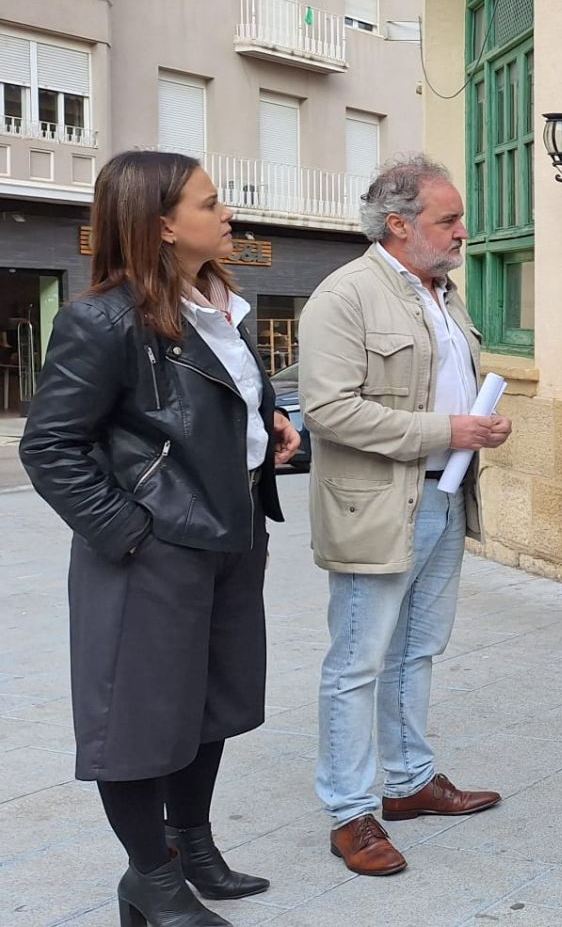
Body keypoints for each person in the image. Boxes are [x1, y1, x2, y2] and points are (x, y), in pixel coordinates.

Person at [22, 151, 300, 927]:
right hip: (155, 552)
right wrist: (131, 534)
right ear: (163, 224)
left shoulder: (218, 305)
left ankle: (191, 844)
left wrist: (265, 425)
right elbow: (48, 446)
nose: (227, 214)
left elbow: (212, 406)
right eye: (211, 204)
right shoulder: (102, 320)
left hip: (231, 535)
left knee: (207, 705)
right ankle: (151, 878)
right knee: (140, 723)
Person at [300, 156, 512, 876]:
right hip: (376, 506)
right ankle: (349, 812)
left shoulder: (445, 293)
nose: (463, 231)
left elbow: (443, 388)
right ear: (399, 224)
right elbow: (327, 409)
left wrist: (474, 427)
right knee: (358, 662)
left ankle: (410, 782)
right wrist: (445, 431)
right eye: (448, 219)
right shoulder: (345, 295)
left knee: (418, 649)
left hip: (445, 496)